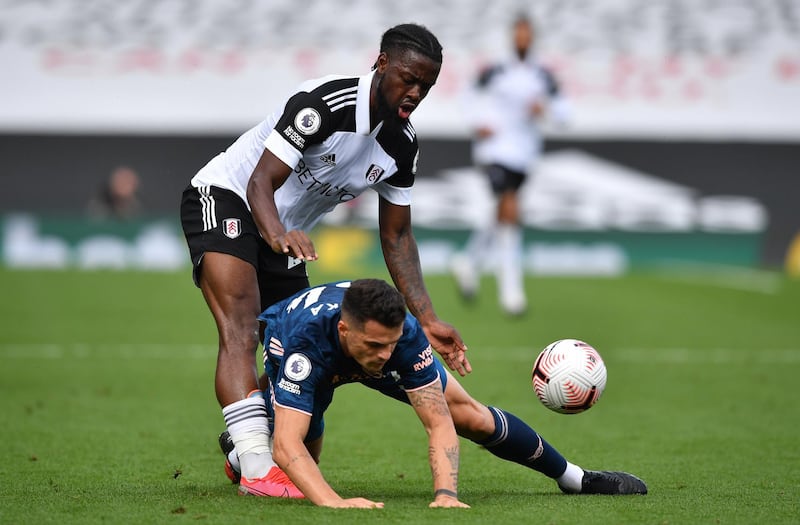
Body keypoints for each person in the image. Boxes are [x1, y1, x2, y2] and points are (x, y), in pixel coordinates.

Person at [179, 23, 470, 498]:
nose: (415, 93)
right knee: (242, 328)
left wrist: (429, 317)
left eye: (427, 86)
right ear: (380, 64)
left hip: (284, 234)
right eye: (408, 79)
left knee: (291, 350)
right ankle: (255, 470)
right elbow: (259, 183)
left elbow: (397, 236)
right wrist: (276, 234)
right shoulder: (323, 104)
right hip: (227, 196)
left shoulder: (402, 145)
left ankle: (244, 447)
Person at [219, 279, 647, 507]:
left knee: (469, 415)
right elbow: (287, 444)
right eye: (375, 346)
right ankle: (242, 450)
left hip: (361, 342)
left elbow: (439, 422)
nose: (387, 356)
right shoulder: (304, 345)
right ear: (347, 331)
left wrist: (446, 496)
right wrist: (335, 502)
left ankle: (574, 478)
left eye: (392, 344)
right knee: (302, 449)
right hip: (309, 351)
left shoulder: (397, 337)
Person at [451, 14, 570, 316]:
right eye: (518, 33)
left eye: (527, 34)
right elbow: (466, 96)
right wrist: (478, 123)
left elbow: (564, 113)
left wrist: (546, 109)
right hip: (494, 150)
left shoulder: (543, 74)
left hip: (524, 153)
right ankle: (511, 292)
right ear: (511, 36)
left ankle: (468, 262)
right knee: (509, 210)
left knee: (500, 214)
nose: (522, 39)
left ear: (532, 37)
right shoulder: (495, 69)